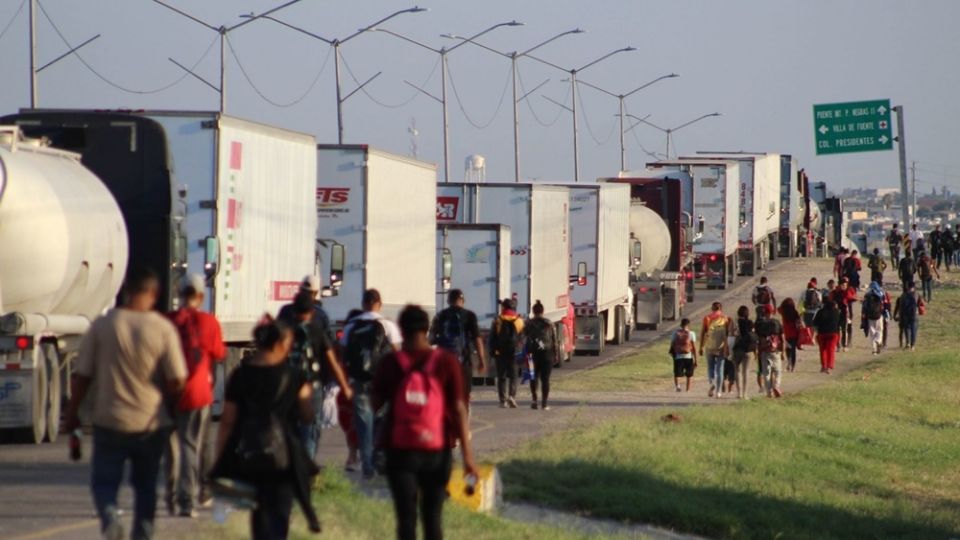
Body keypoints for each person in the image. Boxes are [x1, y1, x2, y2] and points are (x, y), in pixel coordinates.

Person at [63, 268, 187, 540]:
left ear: (127, 290)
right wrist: (170, 407)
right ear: (154, 294)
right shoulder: (163, 329)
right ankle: (142, 535)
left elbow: (82, 376)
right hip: (150, 422)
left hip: (109, 420)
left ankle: (109, 519)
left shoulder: (103, 325)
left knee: (104, 481)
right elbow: (177, 379)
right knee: (145, 486)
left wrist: (72, 414)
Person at [372, 305, 478, 540]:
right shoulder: (446, 362)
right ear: (427, 329)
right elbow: (459, 409)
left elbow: (374, 406)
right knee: (433, 519)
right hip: (437, 451)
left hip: (400, 451)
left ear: (400, 329)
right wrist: (468, 457)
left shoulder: (390, 363)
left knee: (406, 520)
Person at [212, 316, 320, 539]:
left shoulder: (240, 375)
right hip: (283, 458)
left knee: (259, 514)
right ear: (280, 344)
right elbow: (308, 416)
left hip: (250, 453)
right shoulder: (294, 376)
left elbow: (227, 421)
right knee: (280, 512)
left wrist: (221, 458)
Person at [164, 275, 226, 518]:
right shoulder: (208, 322)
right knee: (192, 445)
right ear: (200, 296)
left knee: (171, 447)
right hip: (198, 392)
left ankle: (170, 495)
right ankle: (187, 500)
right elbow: (219, 353)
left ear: (178, 293)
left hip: (168, 392)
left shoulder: (168, 320)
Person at [341, 288, 403, 479]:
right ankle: (381, 458)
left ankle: (367, 465)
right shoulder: (387, 325)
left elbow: (343, 354)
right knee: (382, 419)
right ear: (379, 304)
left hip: (359, 380)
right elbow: (397, 354)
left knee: (363, 423)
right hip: (382, 382)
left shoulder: (351, 326)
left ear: (363, 304)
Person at [287, 293, 352, 465]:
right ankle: (306, 467)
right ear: (311, 312)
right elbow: (332, 362)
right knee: (311, 428)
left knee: (291, 426)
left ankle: (294, 464)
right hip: (312, 386)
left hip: (289, 386)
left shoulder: (285, 331)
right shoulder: (317, 331)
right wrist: (344, 386)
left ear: (294, 311)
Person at [429, 289, 486, 412]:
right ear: (462, 300)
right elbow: (477, 339)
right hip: (463, 362)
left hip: (443, 362)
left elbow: (431, 339)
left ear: (448, 300)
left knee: (444, 392)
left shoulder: (440, 316)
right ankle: (463, 421)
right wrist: (481, 360)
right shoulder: (470, 316)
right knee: (464, 394)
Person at [338, 309, 363, 472]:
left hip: (347, 384)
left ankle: (353, 454)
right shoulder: (370, 337)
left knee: (349, 420)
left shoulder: (346, 338)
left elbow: (338, 360)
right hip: (365, 385)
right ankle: (359, 455)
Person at [488, 298, 525, 408]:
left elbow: (492, 338)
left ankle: (502, 400)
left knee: (501, 376)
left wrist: (492, 351)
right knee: (513, 376)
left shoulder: (498, 320)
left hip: (500, 352)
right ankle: (512, 396)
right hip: (514, 352)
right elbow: (522, 338)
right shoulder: (519, 321)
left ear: (503, 307)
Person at [523, 300, 556, 410]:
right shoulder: (549, 323)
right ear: (543, 311)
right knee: (545, 379)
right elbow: (554, 340)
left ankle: (534, 400)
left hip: (531, 354)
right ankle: (545, 403)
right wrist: (555, 355)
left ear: (533, 311)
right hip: (547, 354)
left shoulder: (528, 323)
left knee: (533, 377)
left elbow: (524, 337)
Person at [278, 275, 333, 340]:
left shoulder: (286, 310)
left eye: (307, 292)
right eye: (303, 291)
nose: (304, 295)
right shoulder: (321, 314)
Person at [699, 302, 729, 398]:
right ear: (721, 308)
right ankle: (718, 391)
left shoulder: (707, 318)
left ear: (712, 308)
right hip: (721, 347)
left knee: (710, 367)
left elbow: (703, 333)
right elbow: (727, 335)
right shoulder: (725, 318)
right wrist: (727, 348)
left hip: (709, 346)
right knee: (720, 369)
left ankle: (712, 382)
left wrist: (701, 347)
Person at [755, 305, 785, 397]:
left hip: (764, 350)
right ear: (772, 311)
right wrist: (783, 352)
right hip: (775, 350)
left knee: (766, 373)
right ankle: (776, 385)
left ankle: (769, 392)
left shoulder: (759, 324)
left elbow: (757, 338)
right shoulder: (776, 322)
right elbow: (782, 338)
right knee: (778, 371)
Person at [730, 306, 757, 399]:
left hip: (737, 348)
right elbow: (753, 336)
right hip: (748, 349)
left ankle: (739, 392)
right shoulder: (750, 323)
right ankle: (745, 393)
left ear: (738, 313)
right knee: (746, 371)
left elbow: (732, 334)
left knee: (737, 370)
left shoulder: (735, 323)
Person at [812, 299, 842, 374]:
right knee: (831, 350)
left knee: (823, 350)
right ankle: (829, 365)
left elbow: (815, 323)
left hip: (822, 333)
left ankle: (823, 366)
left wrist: (814, 334)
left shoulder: (820, 311)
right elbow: (840, 324)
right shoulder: (836, 312)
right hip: (833, 333)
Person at [669, 318, 698, 392]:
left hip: (678, 356)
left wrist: (673, 353)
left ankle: (678, 386)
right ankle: (687, 390)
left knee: (677, 373)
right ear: (688, 325)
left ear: (681, 324)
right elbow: (694, 347)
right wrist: (696, 360)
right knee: (689, 375)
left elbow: (672, 344)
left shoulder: (675, 333)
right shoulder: (691, 333)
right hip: (688, 356)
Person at [829, 278, 858, 352]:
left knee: (844, 329)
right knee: (837, 330)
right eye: (843, 285)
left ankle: (844, 345)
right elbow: (830, 300)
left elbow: (853, 298)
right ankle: (838, 346)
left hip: (845, 313)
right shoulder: (835, 292)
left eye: (845, 285)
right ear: (840, 285)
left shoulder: (848, 291)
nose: (844, 286)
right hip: (836, 313)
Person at [894, 283, 924, 350]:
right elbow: (920, 304)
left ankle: (908, 343)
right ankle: (913, 345)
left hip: (905, 315)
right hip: (914, 314)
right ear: (914, 287)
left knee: (907, 329)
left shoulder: (903, 295)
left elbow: (900, 306)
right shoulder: (917, 294)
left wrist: (897, 315)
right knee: (914, 330)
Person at [862, 281, 886, 355]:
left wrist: (863, 316)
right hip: (879, 315)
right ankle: (878, 341)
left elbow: (864, 306)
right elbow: (884, 304)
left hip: (870, 316)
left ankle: (874, 350)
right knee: (879, 330)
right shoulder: (881, 294)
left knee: (872, 333)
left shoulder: (867, 295)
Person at [778, 298, 802, 372]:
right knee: (793, 349)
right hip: (794, 332)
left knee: (788, 348)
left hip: (787, 332)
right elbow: (798, 322)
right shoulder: (795, 312)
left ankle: (789, 362)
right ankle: (793, 366)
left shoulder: (783, 311)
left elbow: (778, 308)